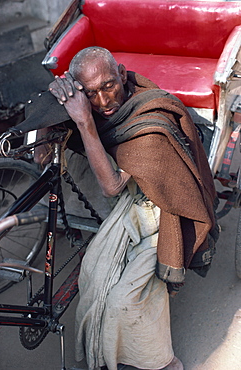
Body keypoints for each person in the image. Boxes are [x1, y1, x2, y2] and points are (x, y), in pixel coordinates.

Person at [48, 46, 219, 370]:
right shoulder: (102, 107)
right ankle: (112, 355)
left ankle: (164, 362)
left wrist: (84, 122)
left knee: (125, 300)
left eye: (109, 86)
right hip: (130, 205)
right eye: (90, 94)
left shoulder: (150, 125)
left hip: (162, 210)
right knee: (93, 276)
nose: (103, 102)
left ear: (122, 75)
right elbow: (47, 150)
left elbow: (111, 185)